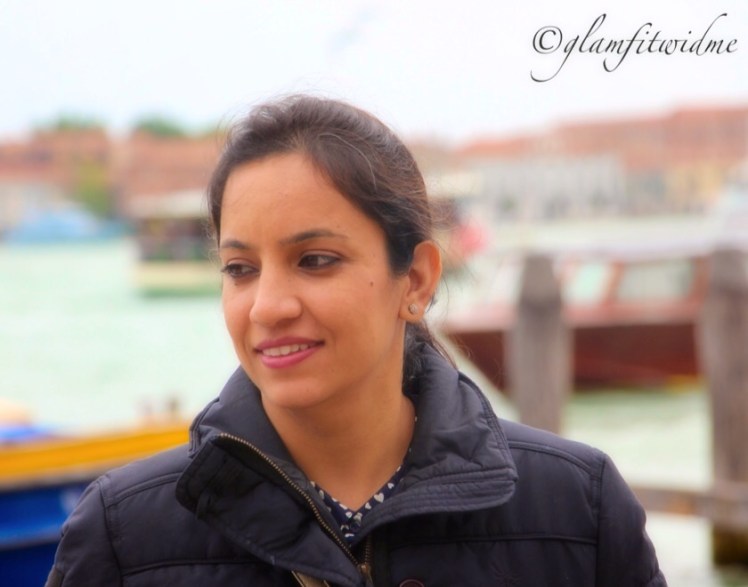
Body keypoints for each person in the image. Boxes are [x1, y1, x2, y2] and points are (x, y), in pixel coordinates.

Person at [46, 95, 666, 587]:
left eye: (315, 260)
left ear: (415, 280)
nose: (268, 306)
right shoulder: (124, 537)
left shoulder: (577, 510)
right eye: (240, 268)